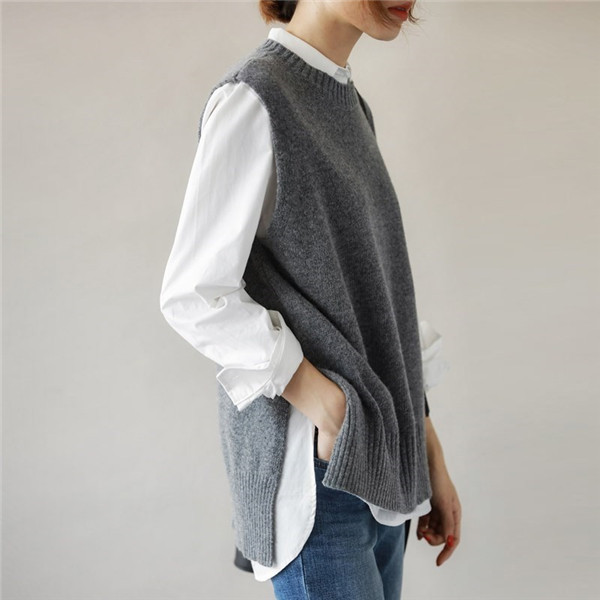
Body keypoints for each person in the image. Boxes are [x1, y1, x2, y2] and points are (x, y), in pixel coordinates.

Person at [160, 1, 461, 598]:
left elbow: (376, 299)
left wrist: (428, 451)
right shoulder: (256, 97)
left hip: (382, 465)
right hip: (318, 478)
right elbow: (193, 293)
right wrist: (325, 403)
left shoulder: (348, 102)